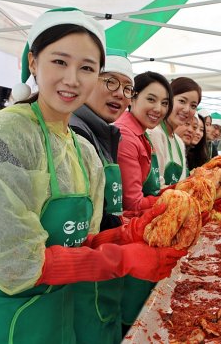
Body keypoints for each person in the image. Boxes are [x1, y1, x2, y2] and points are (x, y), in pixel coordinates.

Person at [0, 8, 185, 344]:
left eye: (86, 68)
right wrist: (122, 259)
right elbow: (14, 260)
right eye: (60, 62)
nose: (73, 79)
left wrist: (131, 236)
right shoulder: (7, 135)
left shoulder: (82, 149)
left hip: (54, 313)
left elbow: (78, 241)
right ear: (34, 63)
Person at [68, 47, 134, 343]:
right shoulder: (74, 131)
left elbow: (104, 210)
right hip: (74, 283)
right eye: (110, 82)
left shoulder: (105, 133)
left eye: (127, 88)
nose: (119, 93)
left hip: (100, 272)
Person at [115, 71, 175, 333]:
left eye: (164, 103)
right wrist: (175, 198)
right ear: (133, 96)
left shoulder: (142, 134)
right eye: (151, 99)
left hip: (144, 235)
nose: (158, 109)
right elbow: (132, 201)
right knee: (134, 321)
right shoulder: (126, 135)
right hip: (130, 238)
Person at [148, 77, 201, 187]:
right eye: (182, 101)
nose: (187, 109)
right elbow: (156, 185)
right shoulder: (155, 133)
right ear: (168, 100)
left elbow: (181, 183)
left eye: (193, 106)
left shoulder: (179, 142)